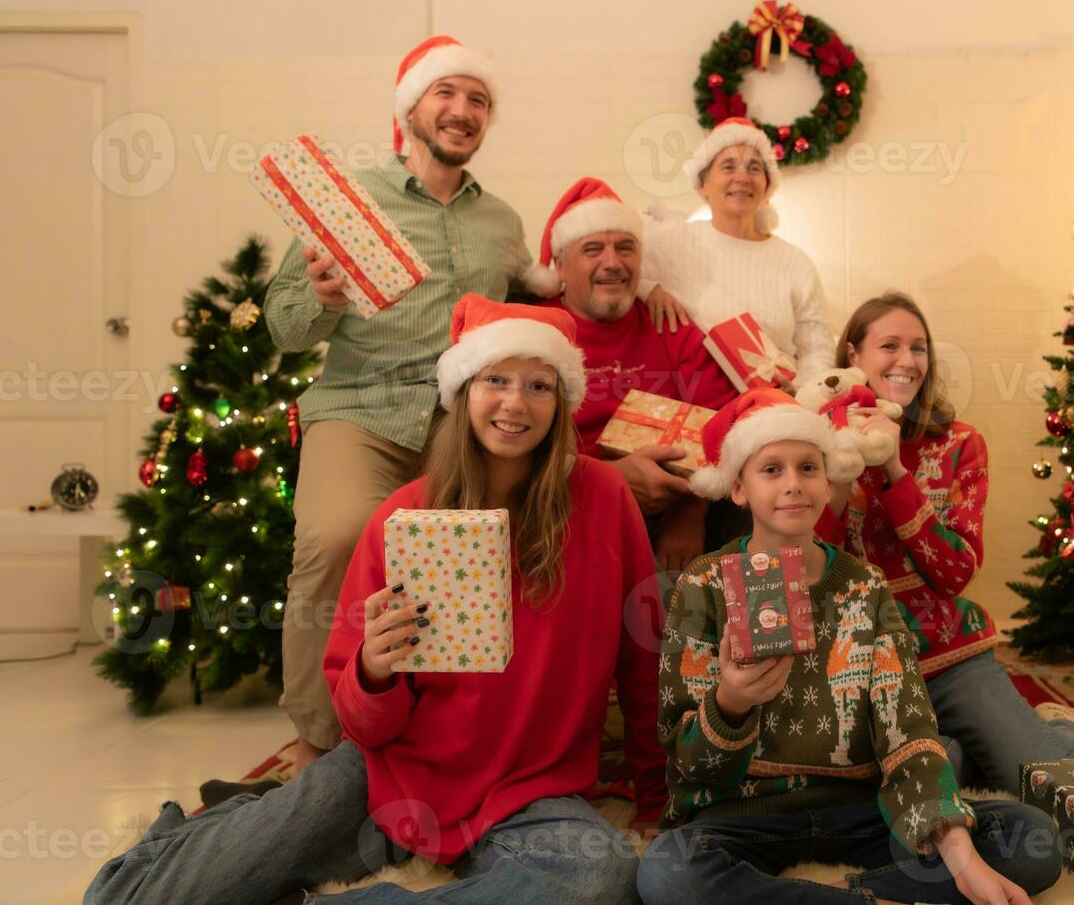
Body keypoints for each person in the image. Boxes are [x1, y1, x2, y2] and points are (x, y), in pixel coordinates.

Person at [86, 297, 664, 904]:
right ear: (464, 391)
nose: (515, 403)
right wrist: (375, 670)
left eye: (539, 385)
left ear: (562, 401)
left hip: (529, 791)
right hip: (387, 776)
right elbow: (358, 718)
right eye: (496, 379)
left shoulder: (602, 499)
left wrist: (655, 794)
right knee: (134, 899)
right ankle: (218, 832)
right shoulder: (406, 514)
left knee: (598, 880)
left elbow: (641, 658)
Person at [637, 390, 1062, 905]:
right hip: (741, 818)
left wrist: (961, 853)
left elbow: (908, 727)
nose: (794, 485)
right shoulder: (702, 586)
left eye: (808, 467)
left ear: (827, 477)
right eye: (771, 469)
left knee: (1029, 841)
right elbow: (686, 768)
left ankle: (840, 892)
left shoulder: (864, 585)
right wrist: (731, 702)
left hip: (863, 811)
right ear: (738, 488)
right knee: (668, 873)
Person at [263, 35, 532, 772]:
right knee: (338, 533)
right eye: (446, 94)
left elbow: (531, 309)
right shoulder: (345, 203)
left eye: (478, 100)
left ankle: (445, 735)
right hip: (360, 408)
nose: (462, 110)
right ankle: (319, 739)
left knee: (474, 558)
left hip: (462, 425)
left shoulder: (502, 224)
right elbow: (284, 326)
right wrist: (317, 299)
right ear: (411, 107)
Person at [820, 292, 1074, 796]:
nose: (907, 360)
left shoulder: (959, 444)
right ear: (854, 357)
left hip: (949, 656)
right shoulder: (816, 444)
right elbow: (810, 571)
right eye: (889, 346)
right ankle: (961, 750)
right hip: (859, 666)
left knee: (1062, 790)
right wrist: (835, 476)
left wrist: (894, 471)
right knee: (888, 793)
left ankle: (1062, 728)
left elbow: (955, 572)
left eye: (918, 348)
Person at [522, 177, 738, 574]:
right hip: (567, 509)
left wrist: (691, 512)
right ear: (560, 266)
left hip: (678, 505)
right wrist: (610, 482)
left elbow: (721, 421)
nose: (613, 262)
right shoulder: (534, 331)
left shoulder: (670, 322)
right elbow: (515, 447)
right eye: (592, 250)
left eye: (626, 248)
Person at [639, 117, 836, 388]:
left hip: (776, 409)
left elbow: (818, 350)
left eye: (754, 168)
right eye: (728, 166)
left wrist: (802, 394)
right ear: (703, 184)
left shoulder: (794, 262)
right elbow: (613, 273)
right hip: (692, 406)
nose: (742, 177)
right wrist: (648, 289)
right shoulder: (672, 241)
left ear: (767, 186)